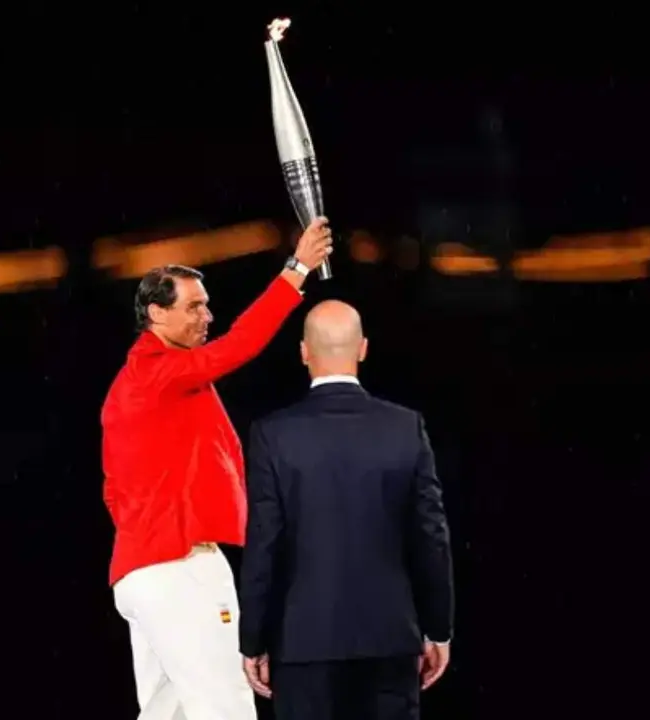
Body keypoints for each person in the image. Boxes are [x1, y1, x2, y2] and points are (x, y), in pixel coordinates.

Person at [102, 217, 333, 720]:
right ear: (156, 313)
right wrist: (296, 270)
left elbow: (113, 490)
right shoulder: (158, 373)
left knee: (168, 713)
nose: (208, 316)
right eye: (194, 306)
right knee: (224, 706)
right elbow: (239, 345)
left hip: (142, 568)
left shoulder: (140, 383)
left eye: (207, 303)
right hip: (176, 564)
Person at [238, 300, 455, 720]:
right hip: (391, 641)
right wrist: (438, 628)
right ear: (363, 348)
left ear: (304, 352)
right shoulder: (405, 427)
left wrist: (253, 640)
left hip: (303, 646)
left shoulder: (273, 434)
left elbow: (264, 544)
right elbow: (432, 536)